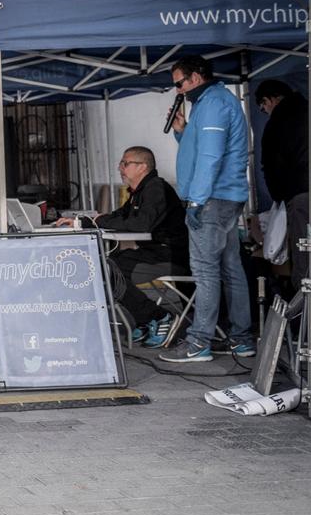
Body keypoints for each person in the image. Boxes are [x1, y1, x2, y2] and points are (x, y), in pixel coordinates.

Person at [160, 56, 254, 363]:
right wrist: (182, 131)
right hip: (223, 197)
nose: (177, 90)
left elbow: (211, 157)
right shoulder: (209, 104)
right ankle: (241, 339)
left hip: (213, 199)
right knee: (230, 268)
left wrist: (197, 200)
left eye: (179, 83)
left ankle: (198, 342)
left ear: (196, 77)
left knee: (205, 270)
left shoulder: (214, 103)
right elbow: (202, 148)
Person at [60, 147, 188, 345]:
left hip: (170, 256)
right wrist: (82, 222)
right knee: (103, 267)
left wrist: (98, 222)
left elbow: (140, 224)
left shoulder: (155, 188)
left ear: (142, 167)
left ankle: (159, 317)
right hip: (153, 253)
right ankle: (146, 318)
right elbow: (119, 216)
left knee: (109, 271)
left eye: (125, 163)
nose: (120, 168)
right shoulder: (140, 191)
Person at [254, 79, 310, 292]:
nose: (265, 112)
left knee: (303, 255)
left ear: (269, 100)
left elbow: (271, 165)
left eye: (263, 107)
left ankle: (304, 316)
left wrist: (279, 197)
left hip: (298, 193)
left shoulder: (277, 122)